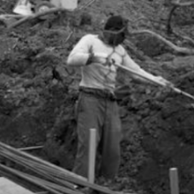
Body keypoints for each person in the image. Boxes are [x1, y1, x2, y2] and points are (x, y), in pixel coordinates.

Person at [66, 14, 170, 182]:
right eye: (121, 35)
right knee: (88, 145)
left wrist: (157, 81)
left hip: (110, 101)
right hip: (90, 98)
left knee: (112, 148)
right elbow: (72, 59)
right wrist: (95, 58)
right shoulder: (90, 41)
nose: (123, 39)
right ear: (112, 31)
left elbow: (136, 72)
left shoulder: (120, 51)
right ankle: (80, 185)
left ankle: (108, 185)